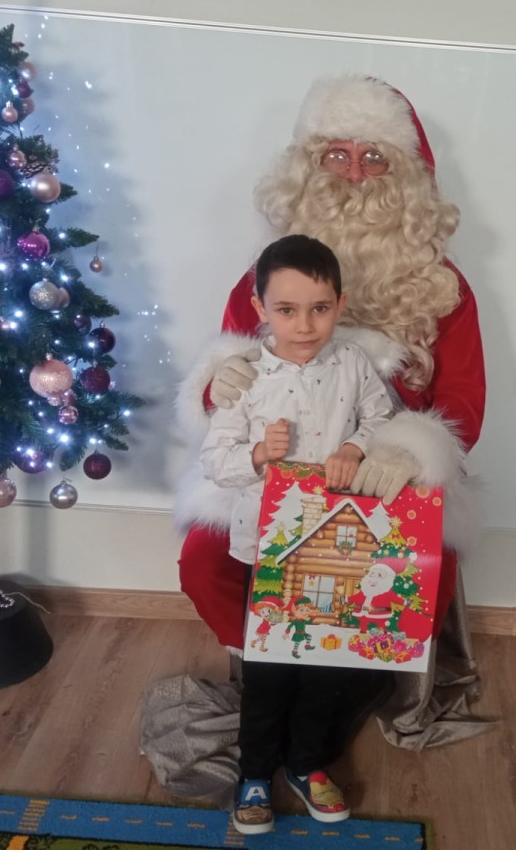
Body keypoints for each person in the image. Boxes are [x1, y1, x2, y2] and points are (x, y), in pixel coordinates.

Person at [157, 73, 492, 808]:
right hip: (272, 471)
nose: (354, 174)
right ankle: (278, 674)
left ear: (407, 177)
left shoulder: (443, 288)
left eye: (374, 157)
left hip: (381, 477)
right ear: (307, 166)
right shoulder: (264, 278)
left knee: (415, 572)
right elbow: (225, 377)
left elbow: (464, 400)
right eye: (336, 154)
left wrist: (404, 452)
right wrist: (217, 385)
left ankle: (326, 697)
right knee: (207, 560)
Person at [198, 233, 395, 834]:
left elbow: (382, 417)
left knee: (326, 667)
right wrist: (259, 454)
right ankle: (255, 772)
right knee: (268, 668)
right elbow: (215, 461)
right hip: (269, 547)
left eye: (319, 308)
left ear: (340, 304)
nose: (304, 325)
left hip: (337, 546)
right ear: (260, 308)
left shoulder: (353, 363)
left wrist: (356, 447)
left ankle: (307, 763)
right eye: (286, 309)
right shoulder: (244, 377)